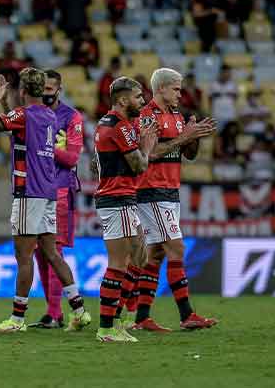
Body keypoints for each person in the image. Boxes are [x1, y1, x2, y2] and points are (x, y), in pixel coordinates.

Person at [0, 69, 90, 334]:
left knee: (23, 256)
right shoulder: (50, 115)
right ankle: (80, 310)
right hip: (49, 192)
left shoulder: (25, 115)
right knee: (52, 253)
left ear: (22, 91)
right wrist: (5, 103)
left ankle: (17, 320)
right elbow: (19, 130)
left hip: (28, 191)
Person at [133, 68, 218, 332]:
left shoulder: (177, 116)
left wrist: (195, 136)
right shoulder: (147, 117)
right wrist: (184, 137)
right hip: (152, 191)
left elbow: (188, 154)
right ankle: (186, 315)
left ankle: (142, 317)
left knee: (156, 254)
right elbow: (152, 153)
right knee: (177, 249)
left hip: (170, 191)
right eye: (176, 89)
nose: (181, 94)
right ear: (161, 89)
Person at [92, 76, 157, 343]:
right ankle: (107, 328)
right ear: (122, 99)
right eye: (138, 96)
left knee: (139, 258)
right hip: (116, 199)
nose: (143, 101)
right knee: (118, 264)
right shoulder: (119, 127)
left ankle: (117, 320)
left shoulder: (109, 123)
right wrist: (147, 145)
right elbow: (140, 165)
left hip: (122, 198)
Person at [29, 70, 84, 329]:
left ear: (59, 89)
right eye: (43, 89)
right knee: (40, 252)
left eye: (51, 88)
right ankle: (55, 312)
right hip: (37, 188)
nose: (46, 93)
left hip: (61, 189)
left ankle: (54, 313)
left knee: (54, 250)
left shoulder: (72, 117)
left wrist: (44, 147)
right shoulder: (31, 114)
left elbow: (72, 158)